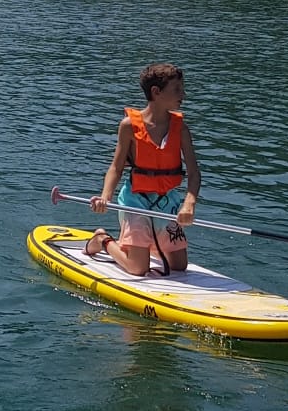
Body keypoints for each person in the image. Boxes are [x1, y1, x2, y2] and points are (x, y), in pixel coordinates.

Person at [84, 63, 201, 277]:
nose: (183, 94)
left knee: (179, 266)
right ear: (156, 92)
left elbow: (194, 172)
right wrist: (105, 197)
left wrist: (189, 204)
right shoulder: (128, 126)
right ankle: (103, 239)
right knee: (138, 269)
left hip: (167, 200)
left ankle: (146, 242)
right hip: (135, 200)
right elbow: (116, 167)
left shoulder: (181, 128)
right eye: (177, 89)